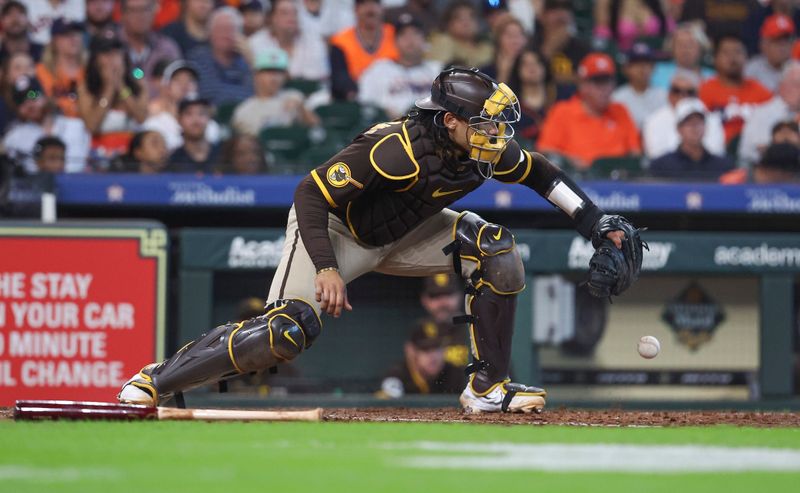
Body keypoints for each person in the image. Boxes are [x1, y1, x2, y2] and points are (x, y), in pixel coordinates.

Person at [118, 67, 637, 414]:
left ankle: (488, 389)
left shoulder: (484, 148)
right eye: (485, 123)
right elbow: (310, 194)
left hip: (406, 236)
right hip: (336, 233)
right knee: (286, 333)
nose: (497, 134)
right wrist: (325, 267)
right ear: (451, 120)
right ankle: (158, 380)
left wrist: (594, 223)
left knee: (496, 249)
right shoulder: (395, 148)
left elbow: (540, 173)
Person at [538, 52, 641, 169]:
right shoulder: (562, 111)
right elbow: (545, 151)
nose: (604, 88)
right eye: (598, 82)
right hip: (578, 181)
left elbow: (635, 153)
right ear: (582, 85)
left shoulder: (620, 111)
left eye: (608, 81)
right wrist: (569, 161)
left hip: (619, 181)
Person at [76, 35, 148, 160]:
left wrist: (121, 87)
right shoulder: (86, 87)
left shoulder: (138, 82)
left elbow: (141, 117)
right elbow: (92, 125)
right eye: (106, 54)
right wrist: (108, 89)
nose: (112, 60)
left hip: (132, 154)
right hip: (99, 153)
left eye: (116, 54)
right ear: (96, 59)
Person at [358, 14, 442, 119]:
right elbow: (366, 107)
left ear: (425, 40)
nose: (410, 39)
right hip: (390, 129)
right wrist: (384, 113)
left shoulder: (437, 70)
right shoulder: (377, 70)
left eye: (415, 34)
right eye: (403, 35)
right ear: (395, 41)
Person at [2, 75, 90, 174]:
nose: (29, 104)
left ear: (46, 95)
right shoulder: (14, 138)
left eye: (33, 95)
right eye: (21, 101)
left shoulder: (75, 127)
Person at [699, 34, 772, 145]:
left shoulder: (761, 91)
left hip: (752, 153)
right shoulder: (704, 90)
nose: (732, 58)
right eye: (726, 53)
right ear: (715, 59)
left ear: (746, 58)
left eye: (738, 52)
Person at [231, 48, 319, 136]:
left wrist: (301, 108)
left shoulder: (294, 96)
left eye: (279, 72)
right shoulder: (244, 110)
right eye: (269, 72)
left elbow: (316, 129)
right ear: (257, 75)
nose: (274, 77)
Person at [643, 68, 725, 159]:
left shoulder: (711, 119)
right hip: (668, 171)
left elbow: (716, 152)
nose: (683, 96)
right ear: (669, 94)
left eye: (689, 92)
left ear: (697, 95)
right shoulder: (654, 120)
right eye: (677, 91)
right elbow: (656, 156)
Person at [142, 59, 221, 152]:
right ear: (166, 87)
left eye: (190, 80)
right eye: (177, 80)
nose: (185, 85)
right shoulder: (154, 125)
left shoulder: (210, 126)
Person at [649, 98, 734, 181]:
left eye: (698, 122)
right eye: (689, 123)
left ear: (705, 127)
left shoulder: (723, 166)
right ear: (679, 129)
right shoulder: (661, 166)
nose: (694, 128)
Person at [329, 0, 399, 101]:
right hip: (356, 95)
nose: (370, 9)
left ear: (382, 8)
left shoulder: (396, 34)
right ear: (355, 9)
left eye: (375, 3)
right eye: (364, 4)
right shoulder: (341, 41)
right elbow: (339, 76)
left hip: (394, 92)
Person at [377, 320, 465, 398]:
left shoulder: (456, 375)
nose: (433, 356)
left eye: (437, 347)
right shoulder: (397, 376)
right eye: (425, 349)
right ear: (410, 350)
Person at [248, 0, 330, 83]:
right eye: (284, 13)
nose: (291, 17)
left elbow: (317, 76)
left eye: (295, 13)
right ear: (272, 18)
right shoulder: (256, 42)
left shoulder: (313, 41)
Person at [187, 7, 254, 106]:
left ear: (240, 34)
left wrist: (251, 61)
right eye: (220, 29)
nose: (225, 34)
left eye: (230, 29)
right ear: (210, 33)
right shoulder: (196, 60)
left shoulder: (248, 60)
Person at [738, 62, 800, 165]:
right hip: (766, 174)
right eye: (797, 84)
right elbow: (754, 150)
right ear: (782, 86)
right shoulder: (761, 114)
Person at [118, 0, 182, 97]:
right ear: (123, 14)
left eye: (145, 9)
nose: (140, 16)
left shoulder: (167, 49)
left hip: (160, 110)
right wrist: (127, 97)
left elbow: (179, 89)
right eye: (134, 10)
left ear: (154, 12)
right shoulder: (112, 49)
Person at [531, 0, 591, 101]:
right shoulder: (532, 44)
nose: (561, 14)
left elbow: (591, 80)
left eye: (566, 8)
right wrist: (550, 49)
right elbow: (530, 77)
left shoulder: (582, 47)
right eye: (553, 8)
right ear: (542, 16)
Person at [35, 18, 86, 118]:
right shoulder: (41, 71)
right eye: (66, 35)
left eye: (77, 33)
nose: (73, 38)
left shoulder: (92, 70)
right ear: (54, 41)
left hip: (88, 126)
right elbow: (31, 94)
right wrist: (41, 99)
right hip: (53, 124)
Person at [612, 41, 667, 129]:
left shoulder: (663, 96)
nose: (642, 68)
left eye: (647, 63)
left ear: (653, 67)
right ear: (626, 68)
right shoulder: (617, 98)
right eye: (636, 63)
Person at [418, 273, 468, 368]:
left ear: (460, 295)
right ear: (424, 300)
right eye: (435, 296)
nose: (442, 302)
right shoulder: (418, 332)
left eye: (448, 294)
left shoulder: (475, 328)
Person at [426, 0, 493, 69]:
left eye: (471, 16)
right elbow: (436, 72)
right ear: (447, 24)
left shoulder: (486, 46)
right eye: (459, 18)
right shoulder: (444, 42)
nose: (466, 22)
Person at [506, 47, 553, 145]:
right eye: (525, 64)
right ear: (518, 70)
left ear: (544, 67)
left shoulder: (558, 98)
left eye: (537, 62)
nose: (532, 67)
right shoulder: (510, 107)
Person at [650, 22, 714, 90]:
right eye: (680, 45)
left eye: (690, 45)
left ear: (701, 49)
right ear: (672, 48)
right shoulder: (656, 72)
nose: (685, 49)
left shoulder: (712, 77)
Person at [167, 94, 220, 173]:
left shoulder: (223, 155)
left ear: (209, 118)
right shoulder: (172, 161)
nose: (196, 120)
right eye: (189, 114)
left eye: (201, 113)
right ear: (179, 119)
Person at [744, 14, 796, 92]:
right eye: (776, 41)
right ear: (764, 44)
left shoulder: (797, 69)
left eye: (786, 40)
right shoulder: (750, 70)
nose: (782, 46)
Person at [593, 0, 672, 51]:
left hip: (655, 59)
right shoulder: (607, 3)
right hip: (623, 59)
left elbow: (669, 27)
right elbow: (602, 32)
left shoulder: (657, 2)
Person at [479, 14, 528, 84]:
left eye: (518, 35)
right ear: (498, 39)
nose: (515, 41)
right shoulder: (486, 72)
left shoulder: (530, 67)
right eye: (510, 35)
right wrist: (504, 71)